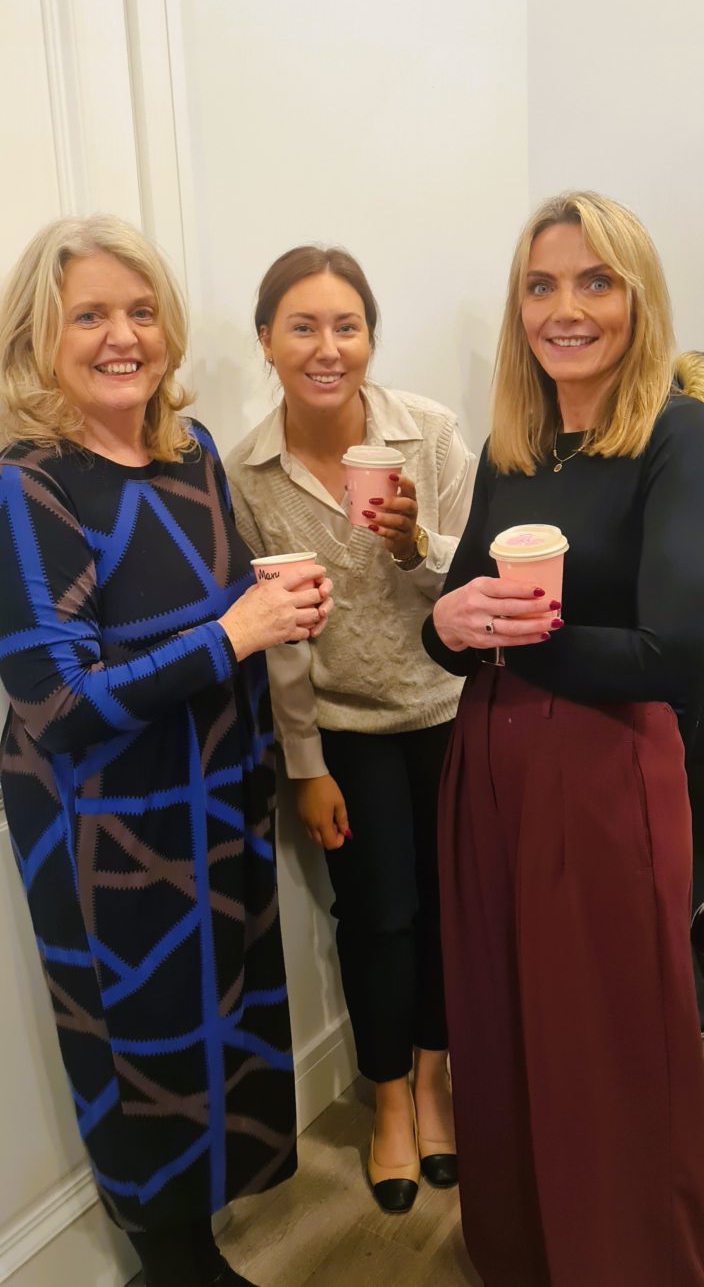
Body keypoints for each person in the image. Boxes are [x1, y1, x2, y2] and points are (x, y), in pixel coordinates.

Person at [0, 216, 333, 1287]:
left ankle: (201, 1240)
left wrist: (276, 605)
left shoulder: (187, 453)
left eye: (140, 311)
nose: (122, 336)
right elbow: (54, 700)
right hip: (107, 830)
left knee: (219, 1027)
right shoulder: (27, 480)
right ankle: (175, 1262)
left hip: (217, 794)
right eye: (88, 314)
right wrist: (234, 631)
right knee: (137, 1045)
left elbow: (219, 608)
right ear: (38, 337)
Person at [423, 190, 704, 1287]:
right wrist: (441, 624)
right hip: (485, 767)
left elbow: (672, 653)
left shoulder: (675, 434)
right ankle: (524, 1247)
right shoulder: (516, 435)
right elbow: (452, 613)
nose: (564, 309)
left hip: (602, 771)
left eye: (593, 281)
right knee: (502, 1019)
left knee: (607, 1038)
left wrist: (504, 645)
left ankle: (626, 1257)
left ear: (635, 295)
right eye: (540, 284)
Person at [225, 246, 476, 1214]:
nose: (327, 348)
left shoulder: (432, 434)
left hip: (448, 705)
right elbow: (279, 638)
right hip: (345, 727)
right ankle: (384, 1102)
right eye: (302, 326)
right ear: (265, 341)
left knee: (450, 905)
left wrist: (414, 543)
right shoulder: (249, 472)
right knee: (377, 916)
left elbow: (471, 585)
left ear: (369, 337)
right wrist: (303, 762)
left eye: (346, 326)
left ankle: (434, 1078)